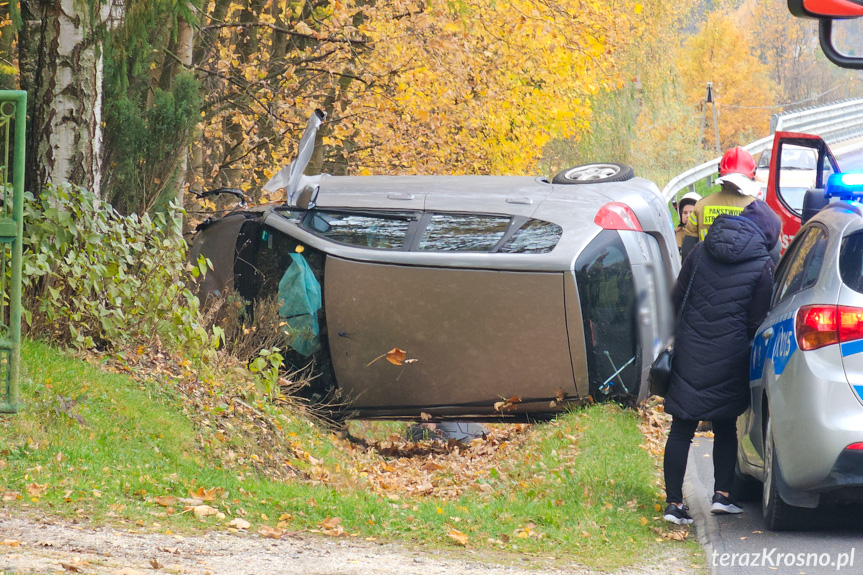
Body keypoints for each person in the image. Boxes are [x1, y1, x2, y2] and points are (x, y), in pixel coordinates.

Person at [662, 200, 780, 525]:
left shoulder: (701, 250)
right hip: (731, 358)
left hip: (690, 350)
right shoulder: (762, 265)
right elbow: (757, 323)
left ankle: (673, 504)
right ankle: (722, 496)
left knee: (681, 428)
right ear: (768, 234)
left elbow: (676, 299)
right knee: (725, 425)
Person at [681, 147, 760, 260]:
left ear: (720, 173)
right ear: (752, 175)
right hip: (744, 274)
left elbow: (687, 251)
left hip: (706, 272)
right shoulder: (758, 209)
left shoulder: (701, 206)